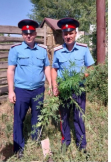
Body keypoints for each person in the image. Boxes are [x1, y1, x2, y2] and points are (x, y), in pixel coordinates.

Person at [7, 19, 52, 158]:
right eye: (25, 33)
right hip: (22, 91)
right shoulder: (16, 50)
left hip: (38, 90)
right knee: (19, 119)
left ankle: (35, 140)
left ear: (35, 33)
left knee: (37, 116)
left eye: (31, 33)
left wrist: (50, 83)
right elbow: (10, 70)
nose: (28, 36)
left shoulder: (42, 50)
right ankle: (19, 147)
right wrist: (11, 90)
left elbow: (47, 67)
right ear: (22, 34)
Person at [51, 17, 95, 153]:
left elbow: (91, 68)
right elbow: (54, 70)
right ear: (62, 35)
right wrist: (54, 86)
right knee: (63, 118)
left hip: (78, 89)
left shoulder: (83, 49)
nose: (68, 36)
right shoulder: (57, 51)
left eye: (70, 33)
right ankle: (66, 142)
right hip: (63, 90)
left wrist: (80, 78)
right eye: (65, 33)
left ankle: (82, 146)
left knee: (79, 118)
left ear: (75, 33)